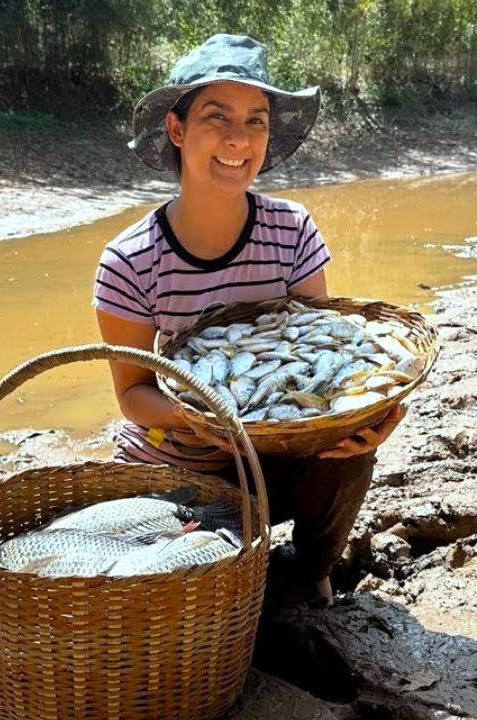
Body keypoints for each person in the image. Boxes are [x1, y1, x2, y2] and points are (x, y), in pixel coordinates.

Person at [91, 34, 405, 604]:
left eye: (255, 121)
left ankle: (310, 571)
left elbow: (323, 348)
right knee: (184, 595)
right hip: (179, 466)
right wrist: (202, 418)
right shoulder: (130, 260)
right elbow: (134, 394)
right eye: (218, 117)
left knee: (350, 454)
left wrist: (369, 411)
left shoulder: (291, 229)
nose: (239, 139)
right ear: (177, 129)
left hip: (273, 455)